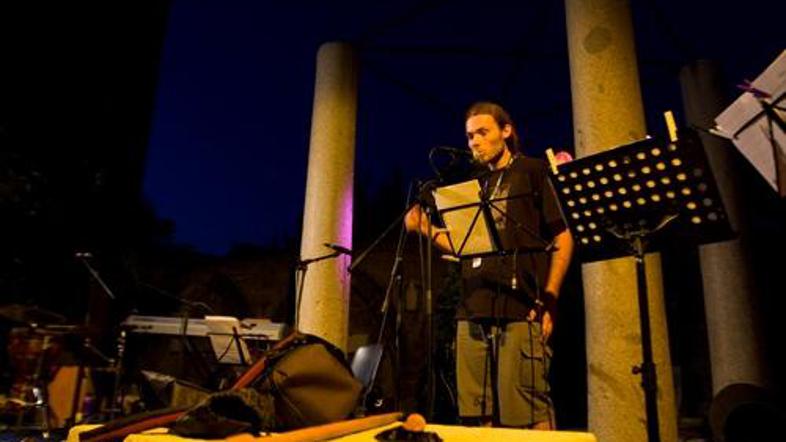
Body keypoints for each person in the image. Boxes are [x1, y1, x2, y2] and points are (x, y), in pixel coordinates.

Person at [404, 101, 573, 429]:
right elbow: (465, 245)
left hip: (522, 305)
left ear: (506, 131)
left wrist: (550, 297)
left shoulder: (533, 170)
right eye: (470, 136)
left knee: (529, 410)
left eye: (483, 132)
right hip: (472, 307)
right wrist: (425, 228)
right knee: (476, 412)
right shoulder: (475, 183)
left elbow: (563, 237)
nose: (475, 142)